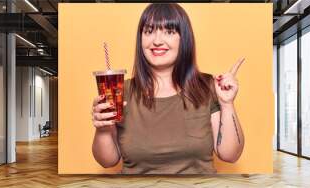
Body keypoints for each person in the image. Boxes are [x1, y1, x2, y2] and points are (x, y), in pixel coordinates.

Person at [91, 3, 245, 174]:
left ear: (184, 38)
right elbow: (107, 161)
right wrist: (103, 129)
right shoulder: (121, 90)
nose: (157, 40)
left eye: (169, 31)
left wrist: (227, 103)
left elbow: (230, 155)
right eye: (149, 31)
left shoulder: (207, 86)